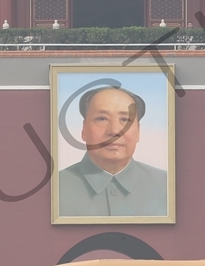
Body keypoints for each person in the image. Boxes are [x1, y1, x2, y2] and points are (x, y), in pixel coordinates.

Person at [56, 83, 169, 218]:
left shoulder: (168, 186)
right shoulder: (55, 187)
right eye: (102, 119)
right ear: (84, 129)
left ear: (138, 131)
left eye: (125, 120)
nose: (115, 131)